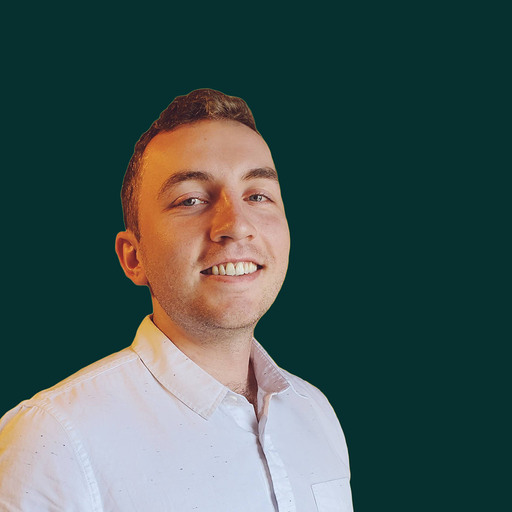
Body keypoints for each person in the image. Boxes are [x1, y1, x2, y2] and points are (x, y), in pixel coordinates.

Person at [0, 89, 353, 511]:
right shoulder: (53, 440)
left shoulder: (315, 413)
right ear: (134, 258)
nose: (236, 225)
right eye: (191, 200)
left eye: (257, 195)